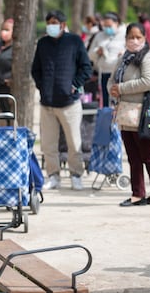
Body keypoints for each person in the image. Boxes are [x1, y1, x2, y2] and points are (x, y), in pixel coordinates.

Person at [31, 10, 92, 191]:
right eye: (49, 22)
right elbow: (36, 69)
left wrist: (74, 85)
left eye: (55, 22)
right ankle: (53, 176)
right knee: (49, 144)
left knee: (74, 142)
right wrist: (42, 86)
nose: (52, 25)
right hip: (47, 103)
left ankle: (76, 175)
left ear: (63, 25)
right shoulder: (42, 43)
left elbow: (86, 68)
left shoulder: (74, 41)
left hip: (70, 102)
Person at [108, 23, 150, 207]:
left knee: (148, 155)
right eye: (131, 37)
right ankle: (138, 194)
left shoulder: (148, 57)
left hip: (142, 114)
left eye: (138, 37)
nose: (134, 40)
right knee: (133, 156)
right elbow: (112, 79)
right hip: (125, 113)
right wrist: (112, 90)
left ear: (144, 38)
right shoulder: (125, 57)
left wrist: (121, 88)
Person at [88, 12, 126, 107]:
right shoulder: (99, 36)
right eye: (105, 25)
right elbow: (89, 55)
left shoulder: (125, 34)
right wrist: (97, 52)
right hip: (104, 72)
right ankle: (106, 119)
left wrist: (124, 54)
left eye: (109, 25)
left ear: (116, 23)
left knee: (119, 99)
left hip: (120, 73)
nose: (107, 28)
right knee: (105, 100)